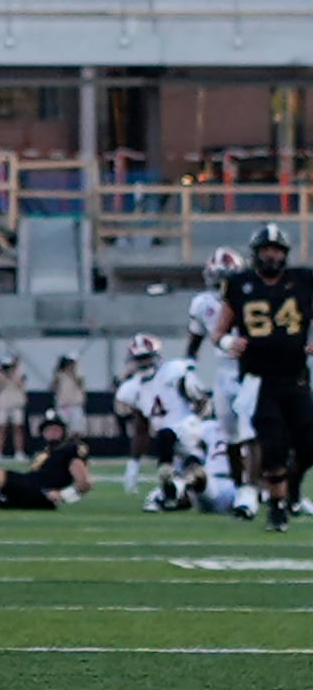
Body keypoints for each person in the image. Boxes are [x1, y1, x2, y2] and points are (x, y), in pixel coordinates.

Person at [214, 223, 313, 532]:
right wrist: (229, 342)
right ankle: (277, 508)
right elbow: (218, 331)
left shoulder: (303, 281)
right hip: (258, 380)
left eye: (277, 250)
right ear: (256, 254)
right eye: (266, 250)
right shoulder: (239, 284)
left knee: (308, 442)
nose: (272, 255)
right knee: (273, 445)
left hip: (296, 376)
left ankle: (292, 489)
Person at [113, 333, 208, 513]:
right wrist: (134, 463)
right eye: (139, 359)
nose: (144, 363)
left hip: (190, 430)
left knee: (178, 446)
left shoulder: (175, 371)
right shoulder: (132, 388)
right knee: (160, 496)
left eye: (146, 358)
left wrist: (203, 426)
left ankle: (177, 485)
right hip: (169, 444)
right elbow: (141, 428)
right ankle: (176, 488)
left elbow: (202, 402)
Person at [187, 246, 247, 491]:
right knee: (230, 433)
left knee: (264, 431)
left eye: (226, 277)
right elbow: (194, 343)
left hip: (252, 369)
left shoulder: (251, 296)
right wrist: (188, 369)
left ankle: (271, 488)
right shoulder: (202, 304)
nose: (221, 283)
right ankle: (240, 488)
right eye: (217, 276)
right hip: (224, 372)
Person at [0, 353, 27, 461]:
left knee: (17, 428)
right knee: (1, 428)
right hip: (3, 404)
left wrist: (15, 369)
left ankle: (19, 452)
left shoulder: (19, 374)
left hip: (16, 404)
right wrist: (2, 372)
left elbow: (21, 383)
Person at [50, 354, 88, 438]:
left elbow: (82, 387)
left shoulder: (79, 374)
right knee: (63, 428)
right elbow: (53, 387)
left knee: (77, 429)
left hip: (75, 404)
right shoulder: (59, 375)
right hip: (63, 405)